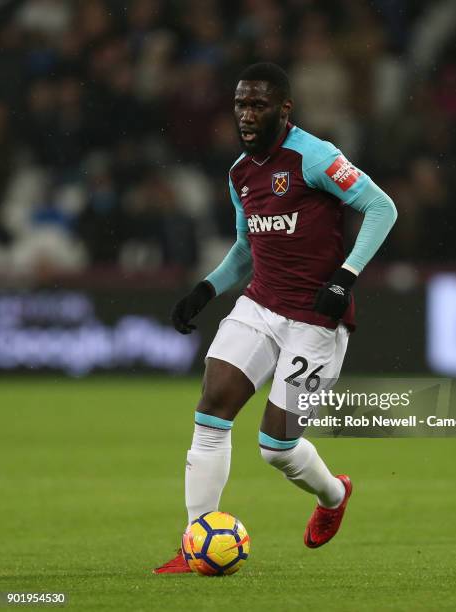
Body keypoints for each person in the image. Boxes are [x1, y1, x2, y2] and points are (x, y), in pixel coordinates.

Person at [154, 63, 397, 573]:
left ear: (284, 109)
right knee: (212, 408)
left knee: (276, 447)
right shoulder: (240, 172)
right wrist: (205, 289)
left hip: (316, 320)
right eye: (240, 104)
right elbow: (247, 247)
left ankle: (333, 495)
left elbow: (382, 208)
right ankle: (194, 541)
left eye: (258, 104)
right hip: (260, 306)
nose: (246, 114)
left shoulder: (315, 157)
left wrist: (346, 276)